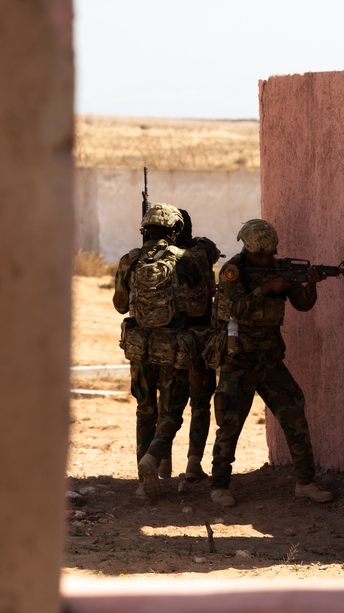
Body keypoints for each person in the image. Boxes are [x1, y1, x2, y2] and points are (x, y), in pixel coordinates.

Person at [208, 219, 333, 506]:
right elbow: (236, 307)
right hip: (238, 360)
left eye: (271, 253)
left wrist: (311, 284)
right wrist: (266, 288)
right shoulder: (233, 271)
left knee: (295, 414)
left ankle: (305, 482)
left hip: (270, 360)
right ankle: (219, 485)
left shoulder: (276, 269)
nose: (267, 259)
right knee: (230, 422)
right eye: (261, 255)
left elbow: (302, 304)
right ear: (249, 250)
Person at [112, 203, 201, 500]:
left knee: (145, 410)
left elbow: (121, 305)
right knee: (172, 411)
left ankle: (143, 481)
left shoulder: (130, 260)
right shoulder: (185, 259)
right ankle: (153, 456)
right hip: (172, 347)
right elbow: (199, 307)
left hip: (139, 348)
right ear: (176, 231)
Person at [157, 208, 222, 489]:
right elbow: (214, 254)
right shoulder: (203, 250)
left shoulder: (164, 257)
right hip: (201, 340)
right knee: (200, 404)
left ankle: (162, 459)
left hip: (172, 341)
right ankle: (194, 463)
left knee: (169, 404)